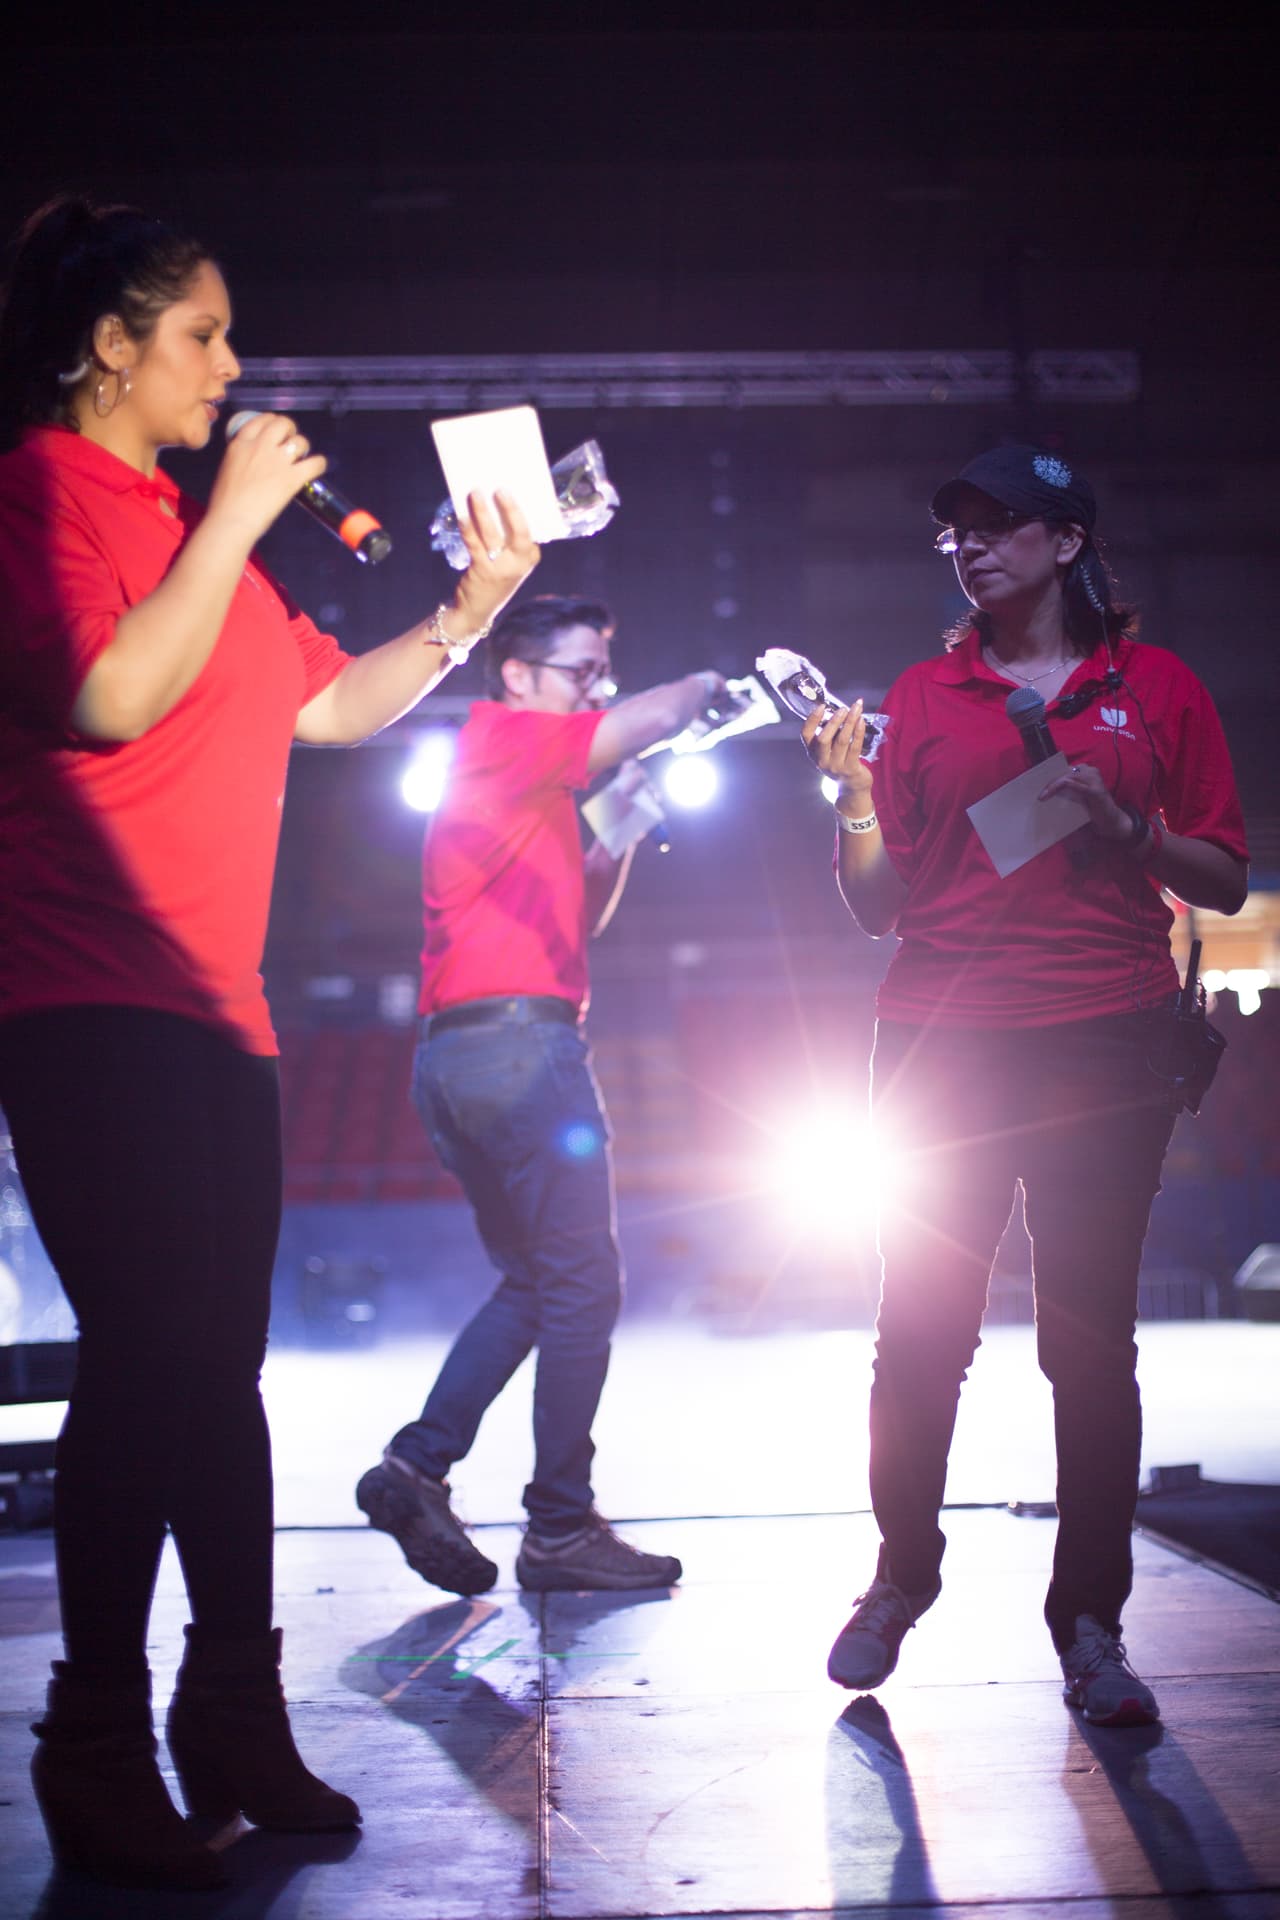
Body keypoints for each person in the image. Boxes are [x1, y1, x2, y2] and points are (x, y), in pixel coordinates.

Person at [0, 196, 538, 1890]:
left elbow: (321, 705)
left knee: (215, 1383)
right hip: (88, 999)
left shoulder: (191, 521)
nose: (235, 367)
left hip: (220, 1015)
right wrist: (226, 522)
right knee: (150, 1366)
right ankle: (91, 1741)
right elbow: (101, 696)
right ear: (110, 346)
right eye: (205, 335)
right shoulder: (41, 492)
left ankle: (229, 1712)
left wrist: (467, 613)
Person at [803, 445, 1248, 1727]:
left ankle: (1089, 1622)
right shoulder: (920, 692)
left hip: (1102, 1046)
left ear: (1065, 542)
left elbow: (1218, 875)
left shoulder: (1152, 687)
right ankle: (899, 1578)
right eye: (957, 531)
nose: (970, 546)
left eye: (999, 526)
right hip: (938, 1040)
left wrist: (1128, 834)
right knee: (919, 1336)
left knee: (1086, 1348)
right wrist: (848, 802)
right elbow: (877, 910)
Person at [356, 595, 727, 1594]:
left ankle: (416, 1465)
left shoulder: (516, 778)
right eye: (581, 670)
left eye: (604, 669)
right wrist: (713, 690)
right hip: (525, 1050)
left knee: (533, 1283)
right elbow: (642, 719)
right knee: (582, 1289)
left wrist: (618, 834)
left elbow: (581, 915)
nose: (596, 688)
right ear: (516, 674)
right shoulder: (508, 734)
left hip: (458, 1059)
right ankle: (560, 1526)